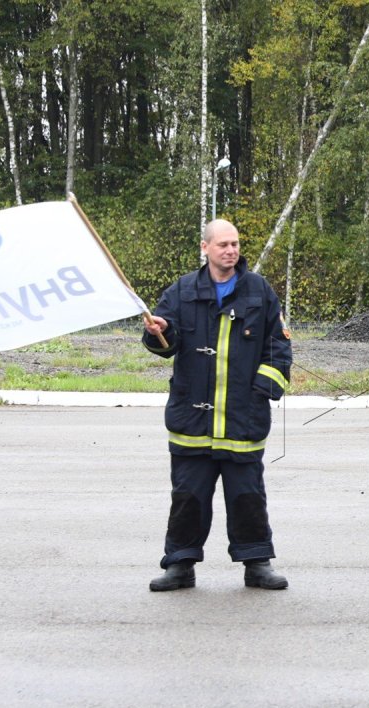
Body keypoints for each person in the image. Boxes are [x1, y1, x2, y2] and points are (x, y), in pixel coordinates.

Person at [142, 219, 292, 592]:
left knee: (247, 497)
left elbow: (279, 346)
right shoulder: (182, 291)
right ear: (205, 247)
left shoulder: (258, 291)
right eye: (223, 244)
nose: (231, 250)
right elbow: (166, 343)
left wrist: (261, 390)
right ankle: (180, 565)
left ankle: (257, 562)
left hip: (243, 420)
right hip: (192, 422)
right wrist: (157, 332)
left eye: (236, 244)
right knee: (187, 498)